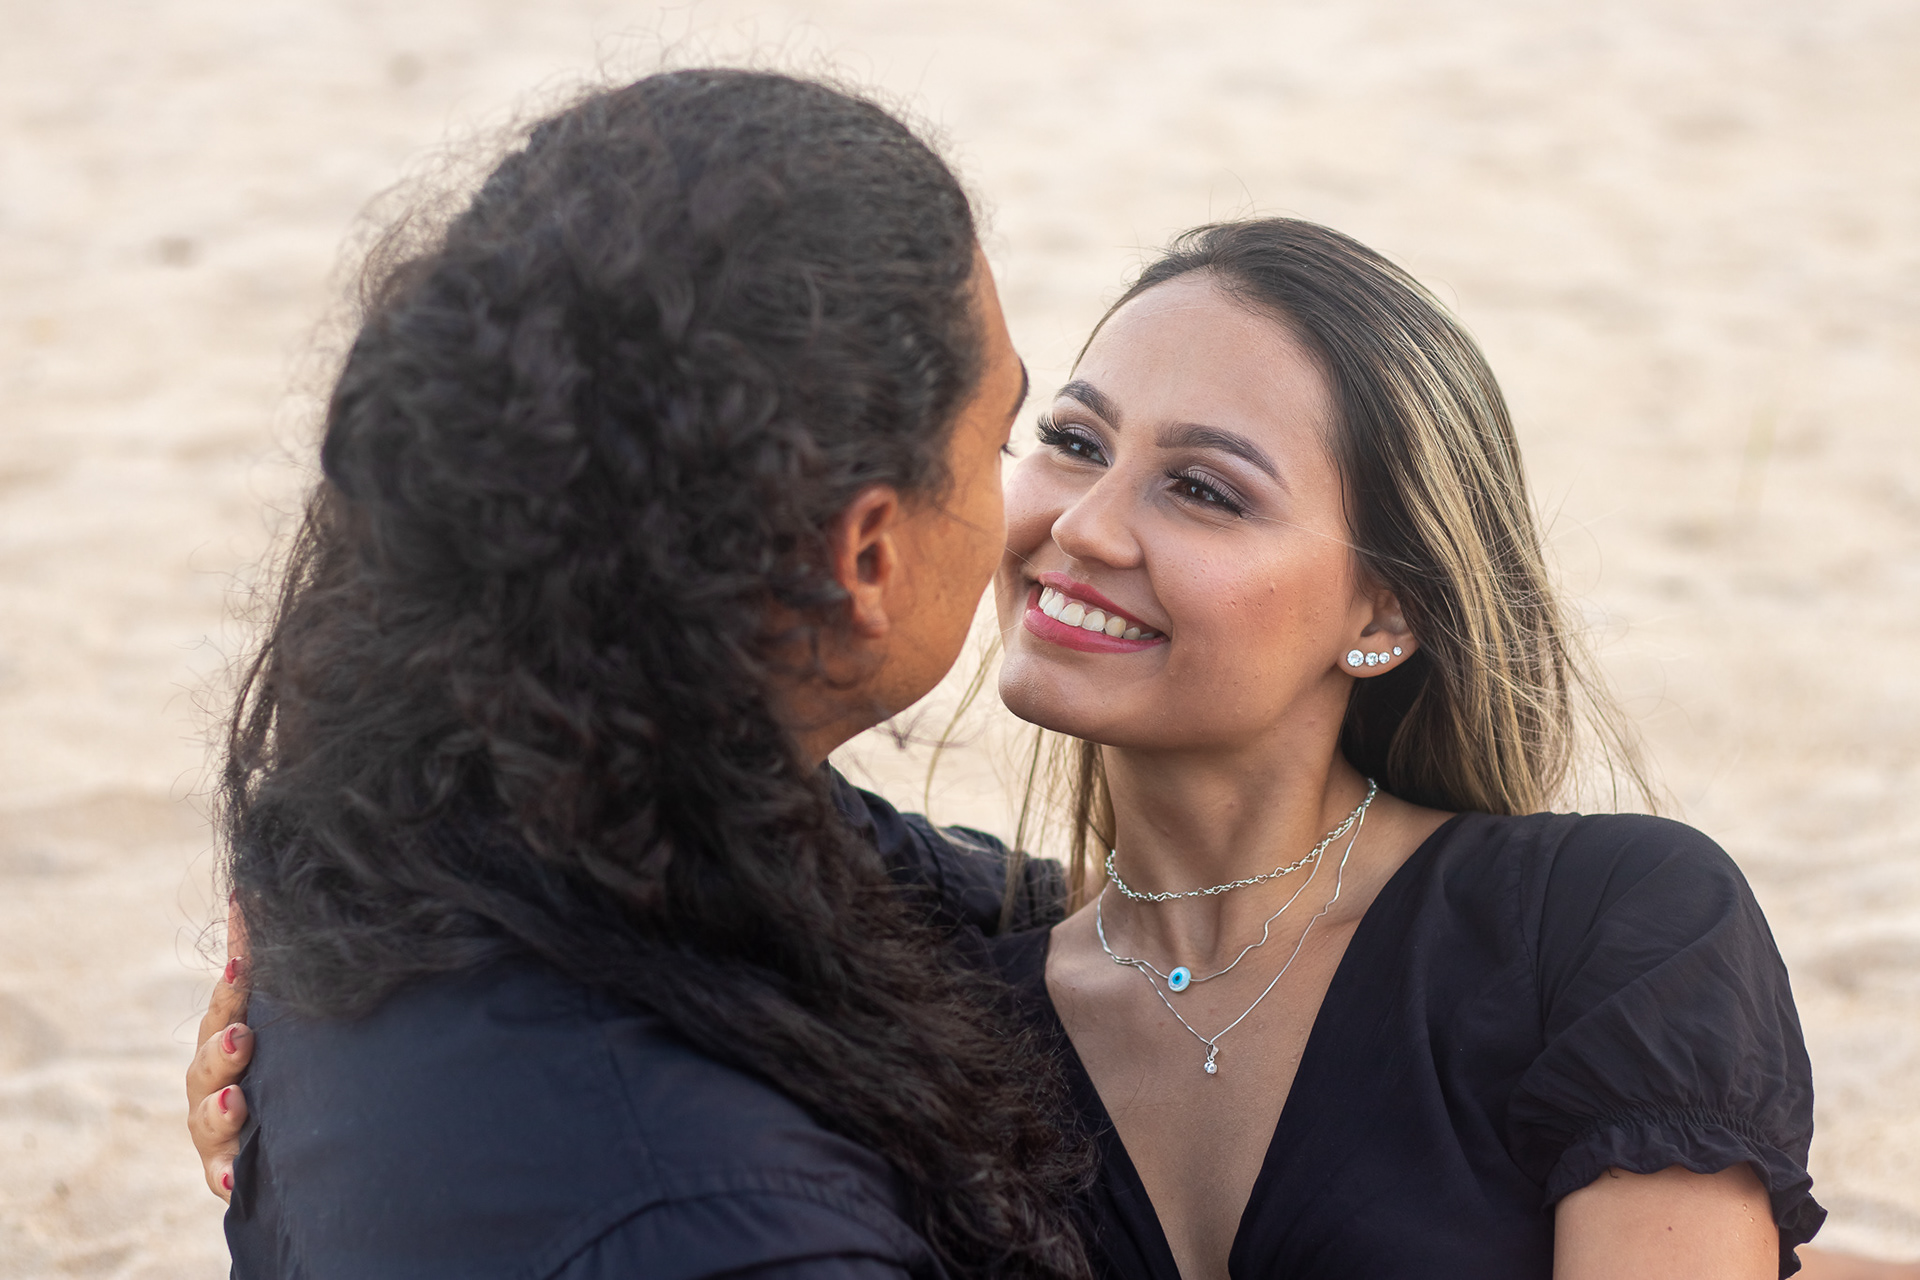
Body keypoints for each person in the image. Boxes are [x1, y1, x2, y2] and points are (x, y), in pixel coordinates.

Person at [186, 68, 1090, 1280]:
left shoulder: (470, 778)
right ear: (866, 554)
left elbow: (965, 899)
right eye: (1005, 437)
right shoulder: (726, 1226)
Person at [980, 218, 1823, 1280]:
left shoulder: (1607, 931)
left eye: (1203, 489)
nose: (1083, 527)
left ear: (1385, 613)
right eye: (1074, 442)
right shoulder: (955, 1012)